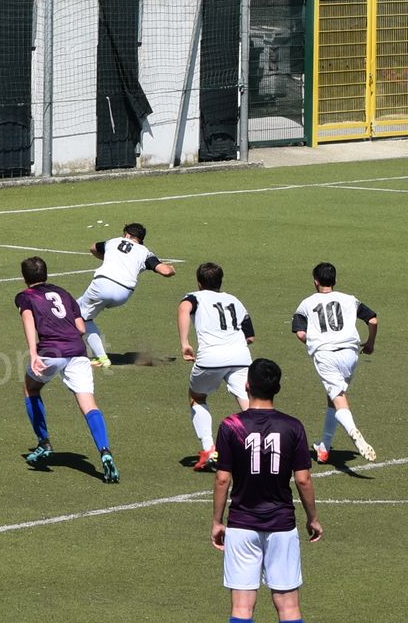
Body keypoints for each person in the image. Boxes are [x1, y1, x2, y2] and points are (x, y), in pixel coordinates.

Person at [212, 358, 322, 623]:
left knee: (242, 607)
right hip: (282, 524)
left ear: (248, 385)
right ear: (277, 388)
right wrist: (313, 518)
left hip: (241, 524)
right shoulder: (293, 426)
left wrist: (217, 521)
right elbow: (304, 479)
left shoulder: (231, 426)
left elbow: (222, 480)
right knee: (288, 607)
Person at [15, 256, 120, 483]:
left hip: (50, 353)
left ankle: (44, 442)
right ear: (46, 273)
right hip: (77, 351)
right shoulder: (64, 293)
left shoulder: (25, 296)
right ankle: (105, 452)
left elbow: (28, 321)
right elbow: (81, 327)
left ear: (25, 278)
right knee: (89, 404)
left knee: (31, 389)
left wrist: (33, 353)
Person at [292, 262, 378, 462]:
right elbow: (372, 320)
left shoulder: (306, 303)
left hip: (326, 355)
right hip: (350, 354)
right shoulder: (350, 300)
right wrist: (371, 344)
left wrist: (313, 340)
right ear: (335, 280)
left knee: (339, 400)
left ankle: (354, 432)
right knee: (333, 396)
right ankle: (325, 447)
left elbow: (300, 333)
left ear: (315, 282)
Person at [179, 263, 256, 471]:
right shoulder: (235, 300)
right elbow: (250, 336)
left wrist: (185, 342)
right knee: (247, 401)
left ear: (199, 282)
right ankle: (258, 447)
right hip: (240, 356)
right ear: (221, 281)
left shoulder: (194, 297)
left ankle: (208, 449)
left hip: (210, 358)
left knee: (197, 396)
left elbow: (184, 309)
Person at [77, 222, 176, 368]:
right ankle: (94, 354)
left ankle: (94, 355)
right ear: (140, 239)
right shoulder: (146, 252)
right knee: (86, 317)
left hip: (102, 285)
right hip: (123, 293)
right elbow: (166, 271)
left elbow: (92, 247)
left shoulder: (114, 241)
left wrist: (110, 257)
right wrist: (172, 269)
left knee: (76, 314)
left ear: (127, 235)